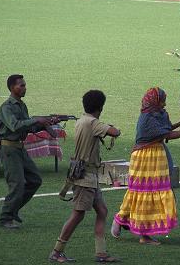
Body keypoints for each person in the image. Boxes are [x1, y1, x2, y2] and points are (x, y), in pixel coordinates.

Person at [111, 87, 180, 245]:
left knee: (150, 191)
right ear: (155, 101)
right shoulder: (147, 117)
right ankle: (143, 235)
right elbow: (166, 135)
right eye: (162, 100)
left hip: (157, 155)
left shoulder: (160, 113)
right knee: (145, 192)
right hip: (145, 157)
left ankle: (122, 220)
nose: (165, 103)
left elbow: (165, 130)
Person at [49, 90, 121, 263]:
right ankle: (56, 252)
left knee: (102, 211)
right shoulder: (93, 123)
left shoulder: (82, 120)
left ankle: (101, 253)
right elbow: (115, 132)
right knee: (77, 215)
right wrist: (110, 127)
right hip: (86, 177)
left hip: (86, 175)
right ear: (100, 107)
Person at [0, 74, 52, 229]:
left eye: (24, 85)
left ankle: (13, 210)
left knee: (35, 180)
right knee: (17, 184)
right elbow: (15, 125)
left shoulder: (21, 105)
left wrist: (45, 123)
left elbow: (28, 127)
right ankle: (5, 218)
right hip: (9, 149)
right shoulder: (6, 107)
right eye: (21, 85)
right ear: (12, 88)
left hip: (19, 148)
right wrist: (36, 120)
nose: (24, 87)